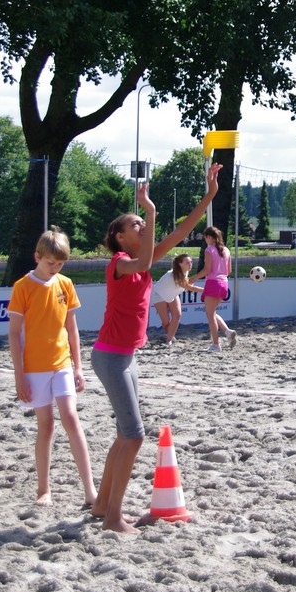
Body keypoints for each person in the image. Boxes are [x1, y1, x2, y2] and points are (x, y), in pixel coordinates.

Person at [90, 163, 222, 534]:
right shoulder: (120, 263)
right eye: (135, 225)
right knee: (134, 435)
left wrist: (210, 193)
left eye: (143, 222)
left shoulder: (141, 262)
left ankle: (101, 505)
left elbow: (181, 231)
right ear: (119, 237)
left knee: (125, 434)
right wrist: (149, 210)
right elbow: (145, 260)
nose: (143, 226)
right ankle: (113, 518)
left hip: (125, 358)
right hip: (111, 358)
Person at [8, 227, 97, 508]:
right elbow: (14, 334)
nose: (55, 268)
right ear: (37, 256)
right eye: (50, 263)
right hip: (34, 368)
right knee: (45, 425)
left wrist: (78, 367)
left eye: (60, 264)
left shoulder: (65, 284)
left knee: (70, 417)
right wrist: (19, 375)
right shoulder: (23, 286)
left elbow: (72, 328)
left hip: (61, 363)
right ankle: (43, 490)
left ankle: (90, 490)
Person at [190, 226, 237, 352]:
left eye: (205, 238)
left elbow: (207, 270)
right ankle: (227, 332)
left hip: (213, 283)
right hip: (224, 284)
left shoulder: (209, 250)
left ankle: (216, 345)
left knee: (210, 316)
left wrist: (193, 279)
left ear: (208, 237)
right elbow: (229, 270)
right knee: (212, 313)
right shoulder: (226, 250)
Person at [151, 254, 201, 345]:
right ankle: (170, 335)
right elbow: (189, 287)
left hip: (172, 294)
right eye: (187, 263)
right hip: (159, 294)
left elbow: (187, 284)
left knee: (177, 315)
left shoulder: (185, 271)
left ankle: (169, 340)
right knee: (166, 322)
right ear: (180, 264)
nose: (190, 264)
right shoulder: (173, 274)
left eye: (191, 262)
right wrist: (207, 291)